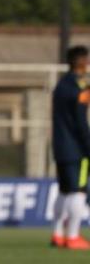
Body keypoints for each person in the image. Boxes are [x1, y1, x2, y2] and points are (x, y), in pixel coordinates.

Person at [50, 45, 90, 249]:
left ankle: (57, 234)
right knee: (78, 191)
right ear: (81, 62)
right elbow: (80, 121)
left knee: (64, 190)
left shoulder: (60, 85)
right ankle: (73, 236)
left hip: (59, 146)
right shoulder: (80, 88)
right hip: (76, 149)